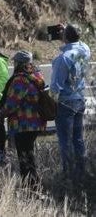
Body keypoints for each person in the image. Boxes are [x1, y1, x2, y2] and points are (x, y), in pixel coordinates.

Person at [0, 51, 46, 187]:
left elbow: (12, 103)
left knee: (24, 157)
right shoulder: (36, 75)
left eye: (15, 62)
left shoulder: (20, 79)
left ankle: (31, 187)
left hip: (23, 123)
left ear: (19, 63)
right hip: (36, 122)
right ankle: (33, 185)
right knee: (28, 153)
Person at [50, 24, 91, 176]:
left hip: (66, 102)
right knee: (78, 139)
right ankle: (82, 171)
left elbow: (55, 86)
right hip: (79, 99)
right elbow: (80, 40)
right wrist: (68, 30)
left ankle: (68, 174)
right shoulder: (84, 51)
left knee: (65, 141)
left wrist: (50, 104)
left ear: (65, 37)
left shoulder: (63, 59)